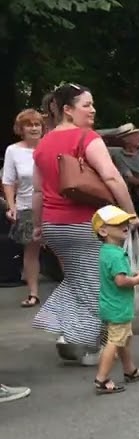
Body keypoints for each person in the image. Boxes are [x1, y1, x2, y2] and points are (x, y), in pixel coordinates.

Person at [31, 83, 138, 366]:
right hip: (85, 223)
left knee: (79, 279)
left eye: (92, 104)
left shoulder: (42, 143)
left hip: (54, 226)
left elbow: (39, 191)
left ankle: (68, 335)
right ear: (67, 110)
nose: (92, 110)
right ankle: (92, 346)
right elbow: (112, 177)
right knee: (99, 286)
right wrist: (129, 213)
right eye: (86, 105)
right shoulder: (85, 137)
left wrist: (39, 225)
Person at [91, 205, 139, 394]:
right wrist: (138, 279)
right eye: (118, 224)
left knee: (123, 338)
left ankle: (130, 370)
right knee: (115, 341)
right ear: (103, 230)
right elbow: (120, 280)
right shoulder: (116, 255)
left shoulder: (107, 252)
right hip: (118, 306)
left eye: (125, 222)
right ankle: (101, 379)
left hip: (111, 304)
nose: (124, 226)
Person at [4, 109, 44, 308]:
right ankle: (33, 294)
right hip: (27, 206)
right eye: (29, 124)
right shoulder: (13, 150)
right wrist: (12, 207)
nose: (34, 128)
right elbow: (8, 181)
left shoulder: (49, 145)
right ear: (21, 129)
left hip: (53, 205)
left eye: (37, 124)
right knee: (31, 250)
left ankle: (75, 291)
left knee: (63, 248)